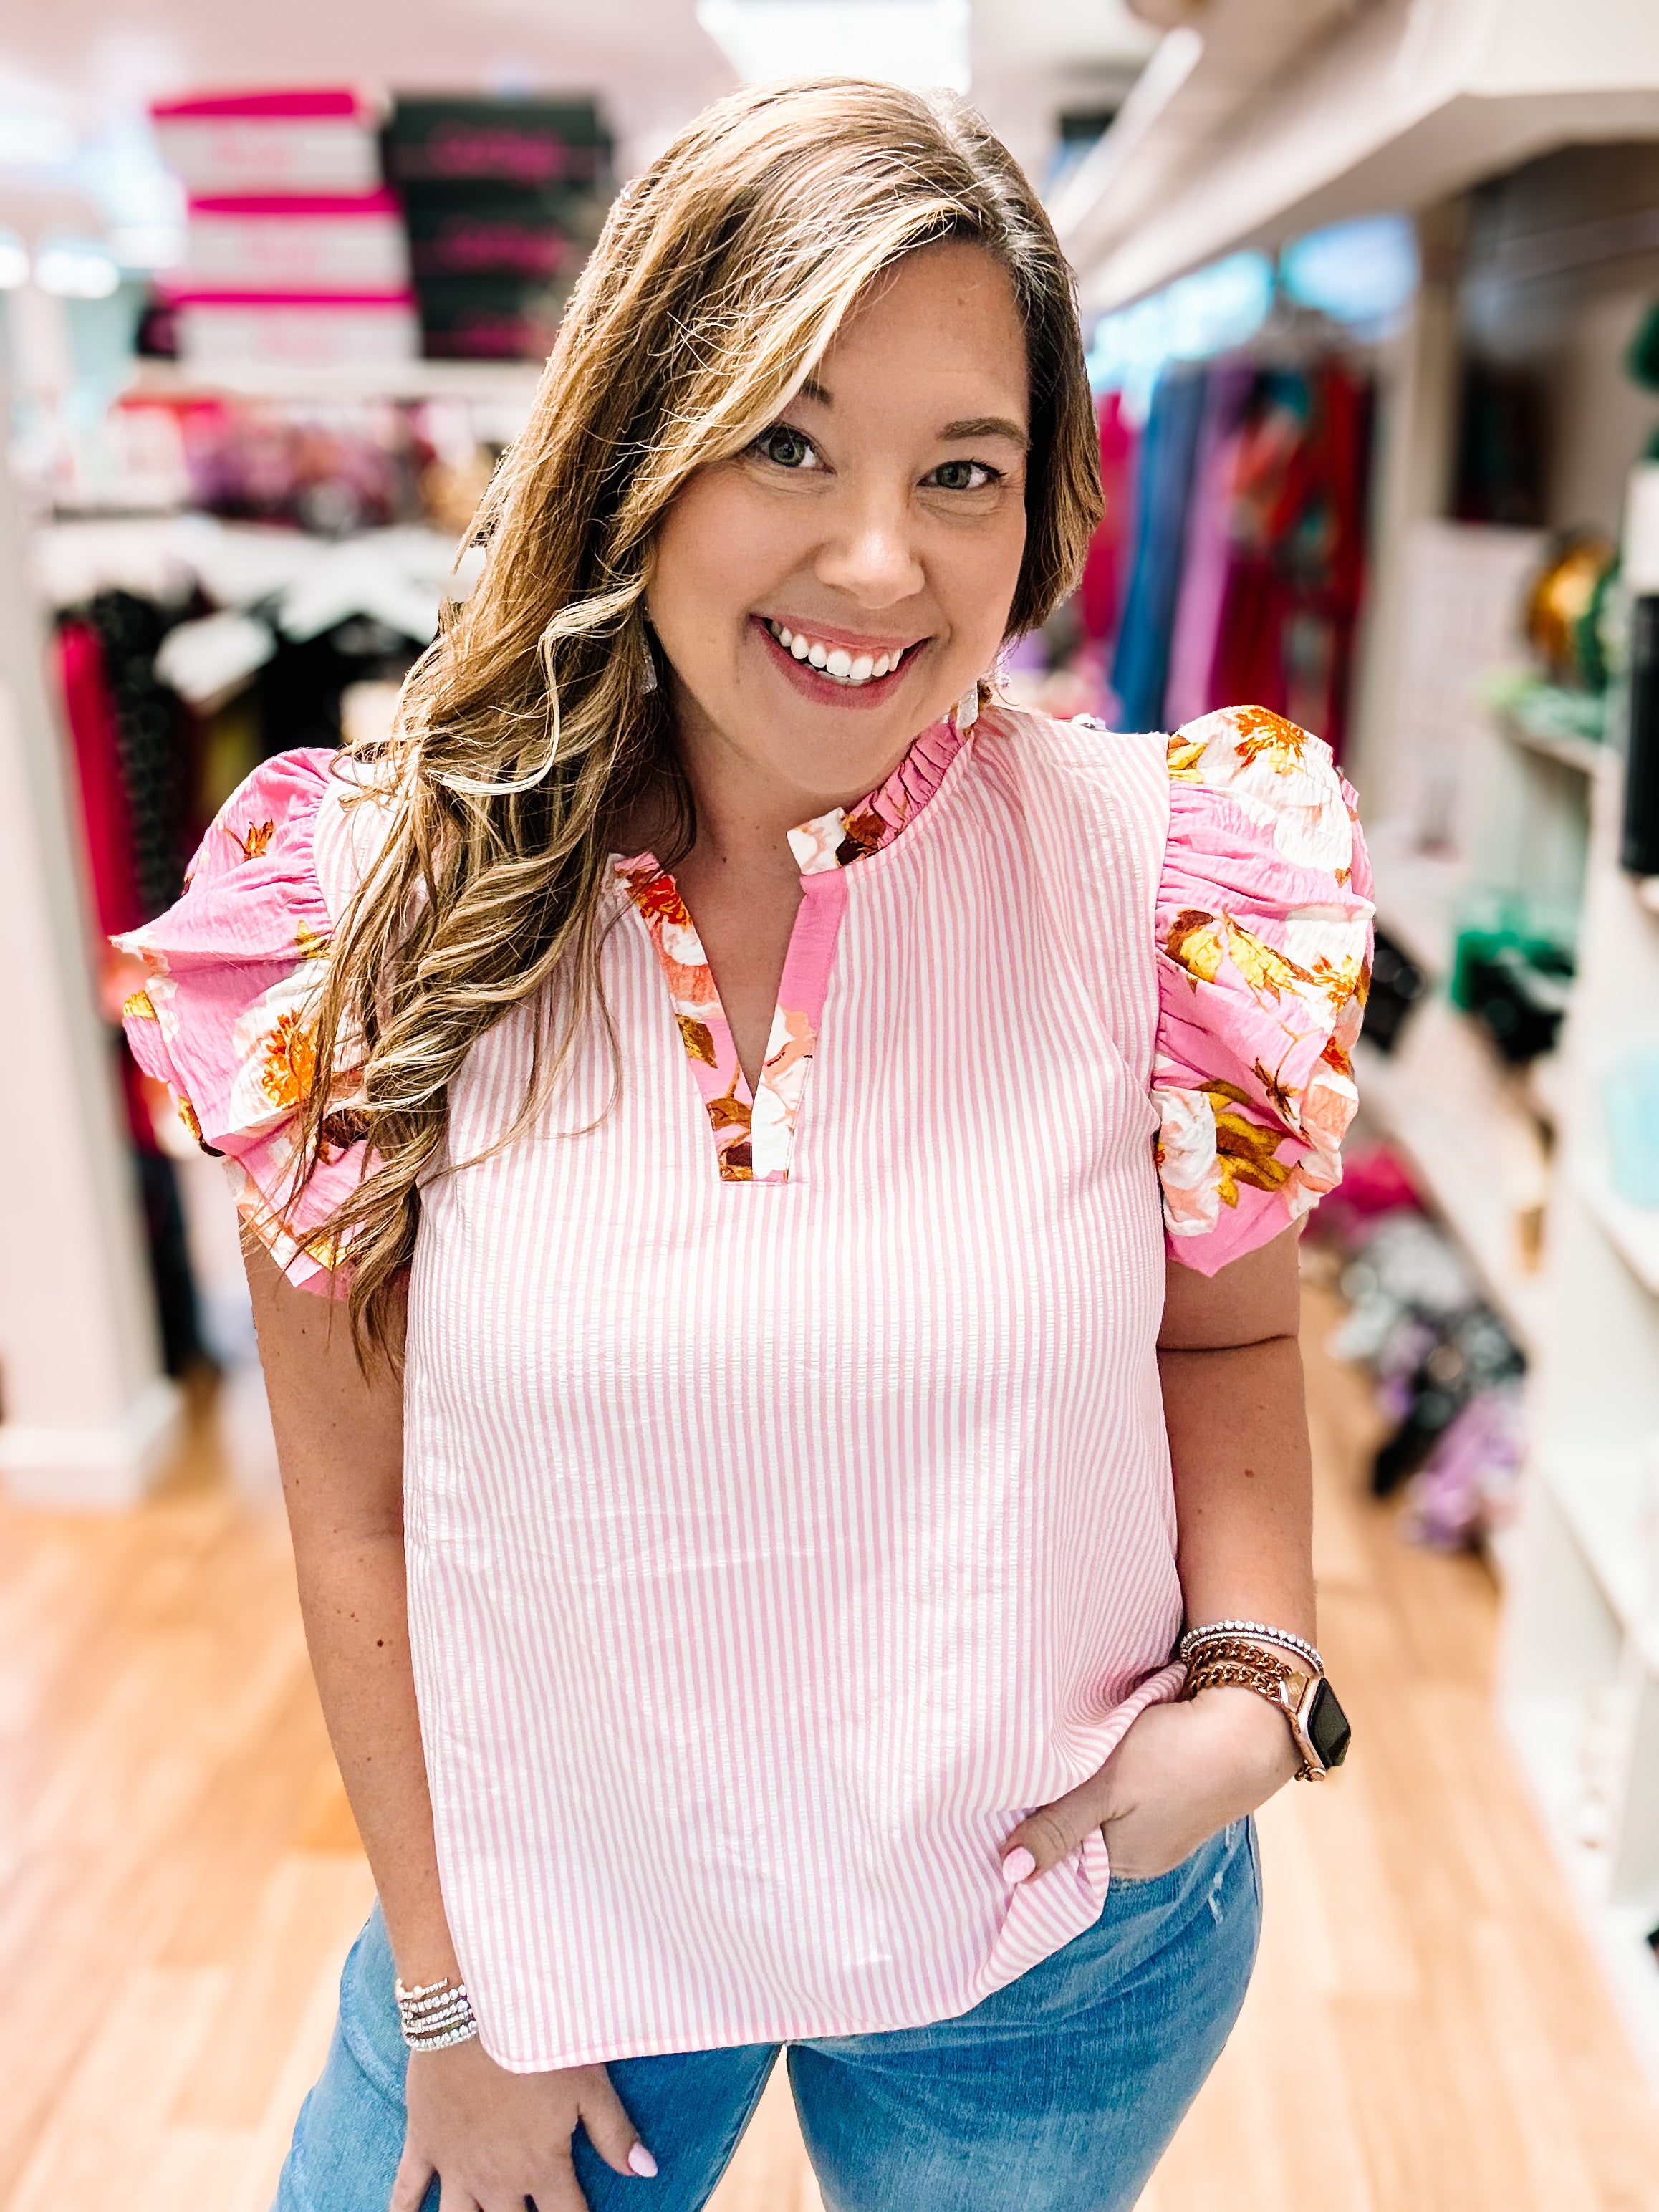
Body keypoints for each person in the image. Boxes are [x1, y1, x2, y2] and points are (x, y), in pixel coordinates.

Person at [119, 77, 1372, 2212]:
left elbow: (1226, 1350)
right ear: (632, 438)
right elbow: (354, 1525)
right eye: (784, 439)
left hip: (1060, 1933)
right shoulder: (367, 918)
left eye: (957, 471)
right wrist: (451, 2005)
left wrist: (1259, 1686)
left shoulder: (1155, 879)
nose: (876, 561)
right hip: (566, 1955)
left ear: (1035, 511)